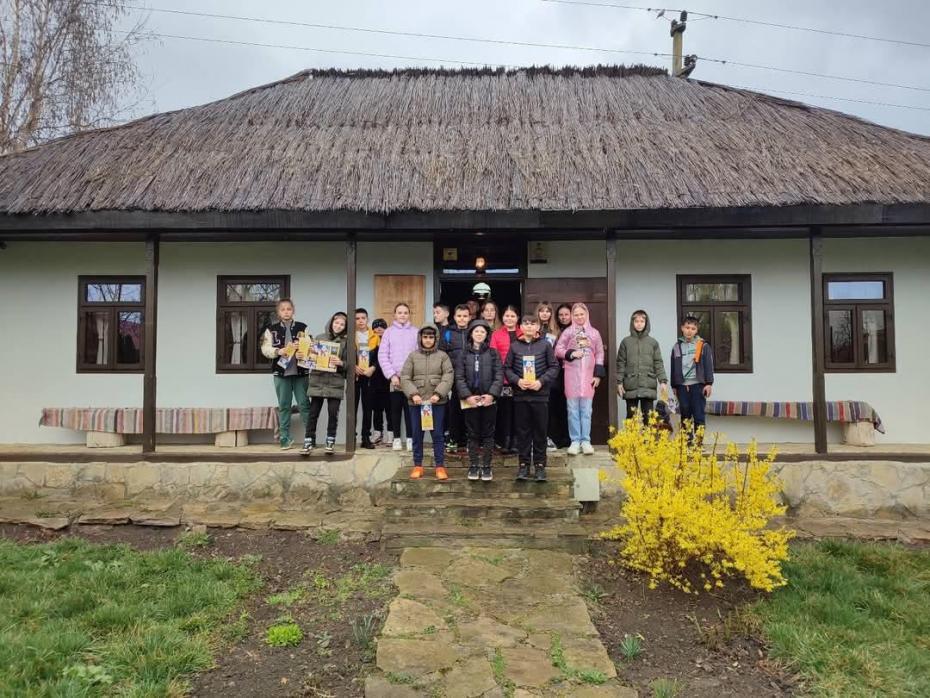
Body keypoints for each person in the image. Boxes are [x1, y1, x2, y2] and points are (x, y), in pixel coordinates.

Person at [503, 315, 559, 482]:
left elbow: (554, 367)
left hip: (540, 396)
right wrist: (517, 381)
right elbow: (507, 368)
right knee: (523, 432)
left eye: (532, 324)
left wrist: (540, 382)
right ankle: (524, 465)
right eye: (525, 324)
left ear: (537, 327)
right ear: (520, 327)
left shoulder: (545, 345)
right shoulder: (514, 346)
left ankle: (540, 466)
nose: (529, 326)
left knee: (540, 432)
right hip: (521, 396)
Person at [400, 326, 454, 480]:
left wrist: (438, 394)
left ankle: (440, 466)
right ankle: (418, 465)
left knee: (438, 435)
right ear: (420, 338)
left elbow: (448, 376)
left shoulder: (443, 356)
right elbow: (405, 377)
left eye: (431, 337)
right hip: (416, 403)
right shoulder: (412, 356)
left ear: (436, 338)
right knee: (417, 434)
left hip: (437, 403)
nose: (428, 340)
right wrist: (413, 394)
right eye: (425, 337)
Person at [260, 298, 312, 450]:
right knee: (284, 406)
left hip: (301, 373)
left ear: (293, 311)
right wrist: (278, 351)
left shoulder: (303, 327)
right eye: (282, 309)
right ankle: (284, 438)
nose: (286, 312)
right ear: (278, 312)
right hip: (281, 373)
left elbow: (311, 347)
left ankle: (310, 437)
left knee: (304, 405)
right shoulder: (271, 329)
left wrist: (304, 353)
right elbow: (265, 349)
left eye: (289, 309)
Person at [455, 319, 503, 481]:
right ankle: (474, 465)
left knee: (488, 434)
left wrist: (492, 395)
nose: (479, 334)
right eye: (476, 331)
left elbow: (499, 375)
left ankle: (487, 466)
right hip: (470, 399)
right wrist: (467, 396)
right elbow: (459, 377)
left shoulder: (493, 353)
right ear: (471, 333)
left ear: (487, 334)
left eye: (483, 331)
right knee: (472, 434)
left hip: (489, 399)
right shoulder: (463, 354)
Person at [555, 303, 606, 456]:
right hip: (571, 376)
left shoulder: (594, 333)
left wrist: (598, 375)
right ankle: (575, 441)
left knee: (586, 410)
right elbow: (558, 350)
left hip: (588, 378)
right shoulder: (568, 332)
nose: (579, 317)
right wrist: (571, 353)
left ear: (586, 314)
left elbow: (600, 353)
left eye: (581, 314)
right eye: (576, 314)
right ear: (572, 316)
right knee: (572, 410)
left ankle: (586, 441)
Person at [304, 311, 348, 454]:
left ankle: (330, 441)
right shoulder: (319, 338)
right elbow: (310, 359)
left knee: (333, 413)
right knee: (313, 413)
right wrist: (310, 356)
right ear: (331, 322)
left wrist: (341, 363)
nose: (338, 326)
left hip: (335, 382)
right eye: (336, 322)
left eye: (342, 324)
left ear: (345, 327)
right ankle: (308, 440)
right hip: (318, 380)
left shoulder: (346, 342)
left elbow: (349, 364)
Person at [378, 303, 419, 451]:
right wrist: (392, 375)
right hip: (394, 378)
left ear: (409, 314)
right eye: (400, 312)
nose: (402, 315)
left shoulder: (416, 332)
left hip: (411, 379)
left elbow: (419, 355)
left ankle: (410, 438)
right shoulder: (389, 332)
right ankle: (396, 439)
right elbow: (383, 355)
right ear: (394, 315)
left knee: (410, 409)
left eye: (405, 312)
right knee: (395, 409)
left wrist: (413, 375)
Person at [616, 309, 668, 423]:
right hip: (630, 384)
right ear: (632, 323)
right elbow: (620, 363)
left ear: (646, 323)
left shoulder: (653, 343)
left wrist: (663, 381)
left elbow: (658, 362)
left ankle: (647, 436)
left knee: (648, 418)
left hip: (648, 385)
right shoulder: (626, 342)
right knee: (631, 417)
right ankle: (630, 436)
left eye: (642, 321)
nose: (639, 324)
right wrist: (619, 382)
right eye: (636, 321)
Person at [670, 315, 715, 440]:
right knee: (685, 415)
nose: (689, 331)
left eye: (693, 328)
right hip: (682, 386)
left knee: (699, 415)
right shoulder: (677, 347)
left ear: (697, 330)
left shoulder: (703, 345)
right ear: (682, 328)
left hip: (698, 385)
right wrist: (674, 385)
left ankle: (698, 444)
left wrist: (709, 383)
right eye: (687, 327)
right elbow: (674, 366)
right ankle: (687, 443)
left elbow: (708, 365)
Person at [490, 305, 521, 454]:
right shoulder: (496, 334)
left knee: (519, 410)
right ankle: (505, 440)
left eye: (512, 316)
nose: (509, 319)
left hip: (521, 379)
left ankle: (517, 440)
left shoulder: (523, 333)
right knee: (505, 410)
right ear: (502, 317)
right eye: (507, 316)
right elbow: (494, 356)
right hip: (504, 380)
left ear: (518, 318)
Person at [442, 304, 472, 453]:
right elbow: (443, 354)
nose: (462, 319)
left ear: (470, 317)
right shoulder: (448, 333)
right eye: (459, 316)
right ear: (454, 317)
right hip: (453, 377)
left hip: (470, 378)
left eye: (465, 316)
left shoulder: (473, 332)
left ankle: (467, 439)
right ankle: (453, 438)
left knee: (469, 409)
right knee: (454, 409)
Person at [536, 301, 563, 451]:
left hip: (552, 375)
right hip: (535, 373)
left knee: (551, 407)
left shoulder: (556, 331)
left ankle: (550, 438)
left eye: (548, 311)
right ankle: (537, 438)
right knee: (537, 408)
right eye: (542, 311)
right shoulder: (533, 329)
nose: (545, 314)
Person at [353, 308, 378, 449]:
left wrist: (372, 368)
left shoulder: (375, 336)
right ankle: (351, 437)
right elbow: (345, 355)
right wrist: (353, 366)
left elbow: (380, 356)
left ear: (367, 319)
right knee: (353, 407)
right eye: (357, 318)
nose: (360, 321)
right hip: (354, 376)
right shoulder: (350, 336)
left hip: (369, 376)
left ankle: (366, 438)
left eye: (363, 318)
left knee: (368, 408)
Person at [369, 318, 390, 444]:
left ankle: (391, 433)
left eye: (382, 326)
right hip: (374, 380)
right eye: (376, 327)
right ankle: (378, 432)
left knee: (390, 408)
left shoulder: (390, 342)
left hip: (388, 380)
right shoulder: (370, 344)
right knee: (376, 408)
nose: (379, 329)